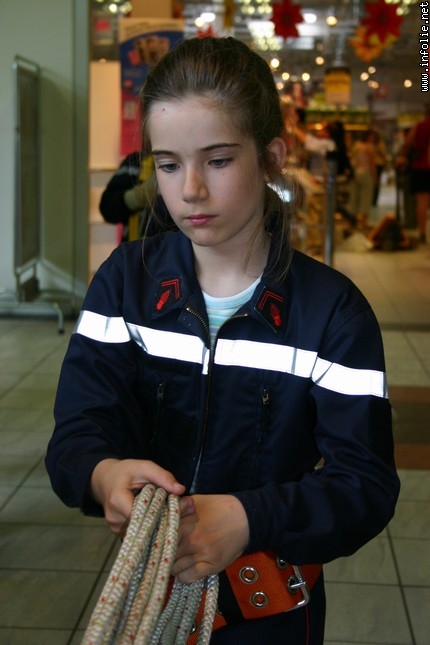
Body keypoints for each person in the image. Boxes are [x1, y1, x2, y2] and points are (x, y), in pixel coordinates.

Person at [45, 37, 399, 644]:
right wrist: (104, 476)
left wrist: (247, 518)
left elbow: (365, 485)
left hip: (272, 616)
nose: (190, 190)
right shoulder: (125, 283)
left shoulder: (332, 312)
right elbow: (77, 430)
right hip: (152, 603)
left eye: (217, 161)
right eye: (168, 165)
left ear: (271, 158)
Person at [99, 151, 173, 240]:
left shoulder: (184, 163)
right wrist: (138, 196)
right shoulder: (135, 161)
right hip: (135, 245)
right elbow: (107, 208)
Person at [400, 104, 430, 243]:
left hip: (421, 167)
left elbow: (407, 144)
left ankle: (422, 233)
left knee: (421, 201)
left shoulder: (419, 126)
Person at [348, 129, 377, 229]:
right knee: (366, 197)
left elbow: (353, 160)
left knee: (354, 197)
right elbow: (372, 164)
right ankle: (363, 222)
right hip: (365, 172)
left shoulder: (357, 146)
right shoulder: (370, 147)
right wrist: (375, 177)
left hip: (356, 172)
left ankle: (352, 221)